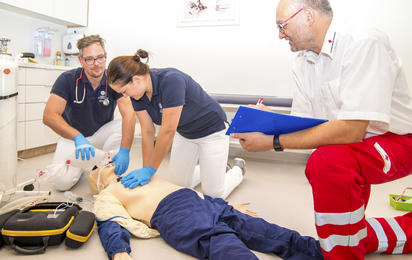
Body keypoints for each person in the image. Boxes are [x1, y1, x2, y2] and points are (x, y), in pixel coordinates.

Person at [229, 0, 412, 259]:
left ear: (308, 16)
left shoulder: (364, 42)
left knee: (326, 162)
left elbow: (351, 130)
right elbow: (308, 126)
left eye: (282, 25)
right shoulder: (303, 63)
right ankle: (355, 236)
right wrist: (269, 120)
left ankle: (342, 253)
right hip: (355, 148)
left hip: (397, 141)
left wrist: (273, 142)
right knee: (333, 165)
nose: (280, 34)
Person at [89, 165, 324, 260]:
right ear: (97, 182)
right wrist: (118, 252)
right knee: (225, 246)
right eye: (100, 167)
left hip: (196, 200)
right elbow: (109, 223)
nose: (108, 163)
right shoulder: (107, 194)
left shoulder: (138, 173)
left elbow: (183, 190)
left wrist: (225, 205)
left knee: (267, 231)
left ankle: (329, 252)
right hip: (173, 214)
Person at [106, 49, 244, 199]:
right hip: (185, 133)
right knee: (177, 188)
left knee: (213, 196)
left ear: (136, 79)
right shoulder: (136, 94)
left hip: (212, 131)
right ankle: (215, 169)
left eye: (124, 91)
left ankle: (237, 170)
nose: (125, 96)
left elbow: (167, 131)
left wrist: (149, 170)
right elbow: (147, 131)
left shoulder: (171, 80)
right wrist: (146, 171)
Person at [43, 34, 136, 191]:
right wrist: (77, 137)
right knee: (61, 184)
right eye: (89, 59)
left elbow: (129, 114)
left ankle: (101, 167)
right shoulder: (67, 80)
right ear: (81, 60)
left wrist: (125, 151)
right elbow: (49, 116)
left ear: (106, 57)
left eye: (100, 58)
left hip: (100, 135)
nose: (96, 64)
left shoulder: (113, 80)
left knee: (123, 123)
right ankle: (79, 166)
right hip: (74, 139)